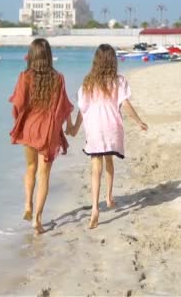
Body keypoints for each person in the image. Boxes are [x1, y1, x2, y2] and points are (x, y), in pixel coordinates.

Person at [67, 44, 148, 229]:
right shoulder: (118, 81)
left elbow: (83, 109)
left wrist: (74, 129)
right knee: (109, 161)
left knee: (96, 167)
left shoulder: (88, 82)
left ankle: (95, 207)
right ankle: (109, 197)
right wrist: (139, 121)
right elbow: (125, 104)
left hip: (94, 128)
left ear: (96, 61)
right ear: (113, 61)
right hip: (111, 127)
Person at [9, 38, 74, 235]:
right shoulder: (58, 78)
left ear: (31, 55)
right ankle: (37, 219)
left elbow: (18, 104)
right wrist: (69, 126)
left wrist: (19, 122)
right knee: (44, 175)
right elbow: (63, 106)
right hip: (48, 131)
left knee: (30, 168)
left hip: (30, 128)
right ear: (48, 56)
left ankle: (27, 204)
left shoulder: (24, 76)